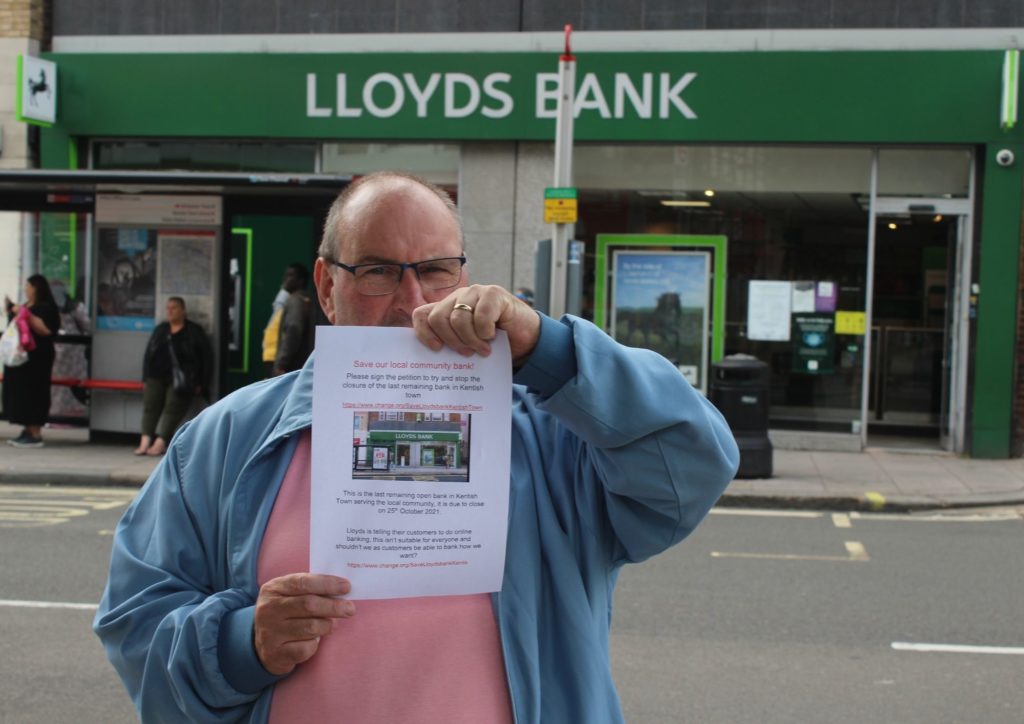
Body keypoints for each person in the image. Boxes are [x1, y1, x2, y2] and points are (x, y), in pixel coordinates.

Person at [95, 172, 738, 723]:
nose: (411, 302)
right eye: (377, 271)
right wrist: (242, 643)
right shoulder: (226, 438)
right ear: (326, 285)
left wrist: (550, 350)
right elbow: (135, 622)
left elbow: (693, 463)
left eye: (434, 270)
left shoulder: (551, 432)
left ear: (465, 277)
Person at [133, 297, 212, 457]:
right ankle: (145, 441)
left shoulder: (193, 332)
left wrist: (201, 382)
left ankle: (161, 442)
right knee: (151, 407)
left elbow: (205, 358)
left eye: (174, 308)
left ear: (183, 311)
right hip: (156, 376)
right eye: (168, 308)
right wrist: (145, 377)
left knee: (173, 408)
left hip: (181, 379)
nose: (170, 311)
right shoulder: (161, 329)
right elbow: (149, 354)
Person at [3, 275, 60, 448]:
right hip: (22, 359)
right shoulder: (26, 305)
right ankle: (27, 428)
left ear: (36, 288)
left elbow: (45, 329)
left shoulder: (46, 308)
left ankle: (35, 432)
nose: (25, 289)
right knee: (20, 393)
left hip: (37, 358)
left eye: (28, 286)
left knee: (35, 392)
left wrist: (25, 314)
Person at [272, 263, 313, 375]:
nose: (285, 279)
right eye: (285, 275)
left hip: (292, 368)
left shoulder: (296, 300)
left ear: (301, 280)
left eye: (290, 275)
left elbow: (294, 328)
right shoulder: (306, 299)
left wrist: (281, 363)